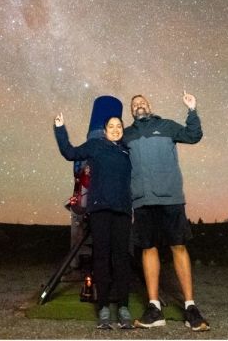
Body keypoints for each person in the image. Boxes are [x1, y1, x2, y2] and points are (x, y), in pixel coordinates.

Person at [123, 91, 210, 332]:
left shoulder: (167, 126)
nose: (139, 105)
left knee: (178, 246)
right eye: (134, 105)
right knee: (148, 249)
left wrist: (192, 110)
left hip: (170, 198)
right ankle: (154, 309)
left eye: (142, 102)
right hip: (142, 201)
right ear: (131, 111)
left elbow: (193, 135)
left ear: (149, 106)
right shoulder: (127, 135)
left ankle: (190, 308)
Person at [54, 112, 134, 329]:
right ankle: (103, 307)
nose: (115, 129)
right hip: (100, 210)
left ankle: (124, 307)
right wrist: (60, 129)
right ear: (105, 131)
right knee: (101, 258)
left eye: (119, 126)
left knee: (121, 259)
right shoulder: (95, 146)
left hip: (122, 211)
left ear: (122, 130)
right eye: (111, 126)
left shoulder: (128, 151)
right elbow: (70, 153)